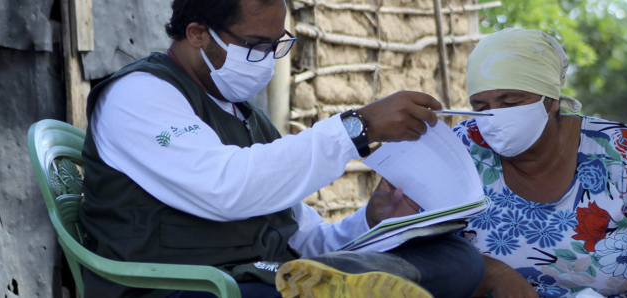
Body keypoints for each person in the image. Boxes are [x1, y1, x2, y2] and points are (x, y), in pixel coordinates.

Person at [78, 0, 485, 297]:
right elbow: (227, 188)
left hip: (267, 274)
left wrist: (370, 222)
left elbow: (300, 234)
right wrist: (357, 128)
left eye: (277, 44)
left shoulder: (246, 117)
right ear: (198, 33)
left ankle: (352, 284)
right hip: (185, 287)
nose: (269, 59)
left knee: (457, 260)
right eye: (256, 44)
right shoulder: (139, 95)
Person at [453, 29, 627, 297]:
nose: (495, 117)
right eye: (480, 108)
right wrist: (494, 275)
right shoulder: (462, 149)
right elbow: (422, 245)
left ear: (551, 100)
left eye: (510, 102)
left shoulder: (620, 151)